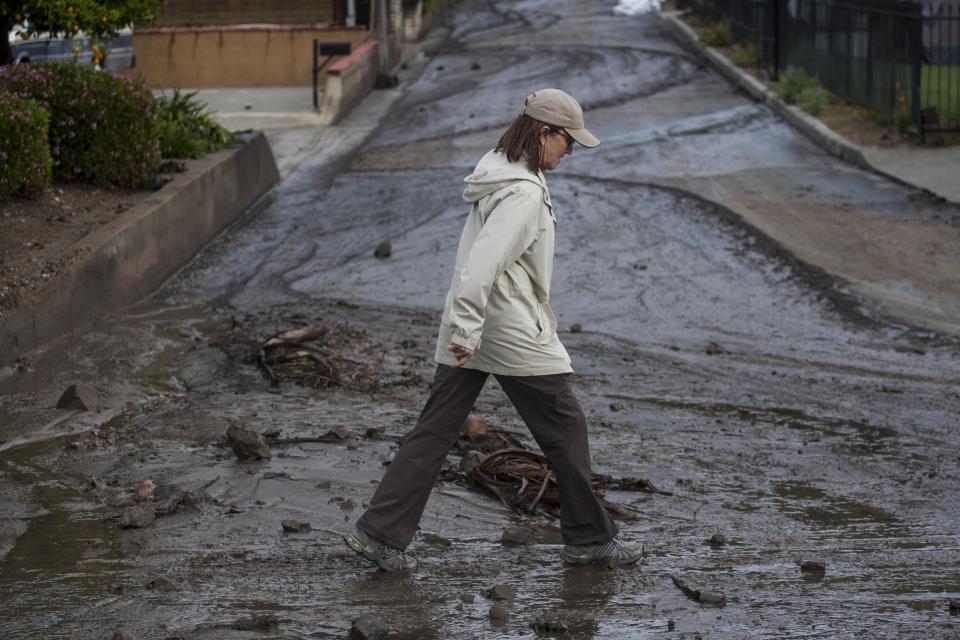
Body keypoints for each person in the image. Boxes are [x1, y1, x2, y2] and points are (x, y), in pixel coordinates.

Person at [344, 88, 642, 571]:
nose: (570, 152)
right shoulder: (523, 193)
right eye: (568, 142)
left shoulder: (498, 169)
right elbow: (481, 266)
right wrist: (466, 329)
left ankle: (378, 533)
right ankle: (589, 538)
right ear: (544, 133)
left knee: (435, 431)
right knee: (566, 429)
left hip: (477, 325)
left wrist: (463, 328)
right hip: (507, 330)